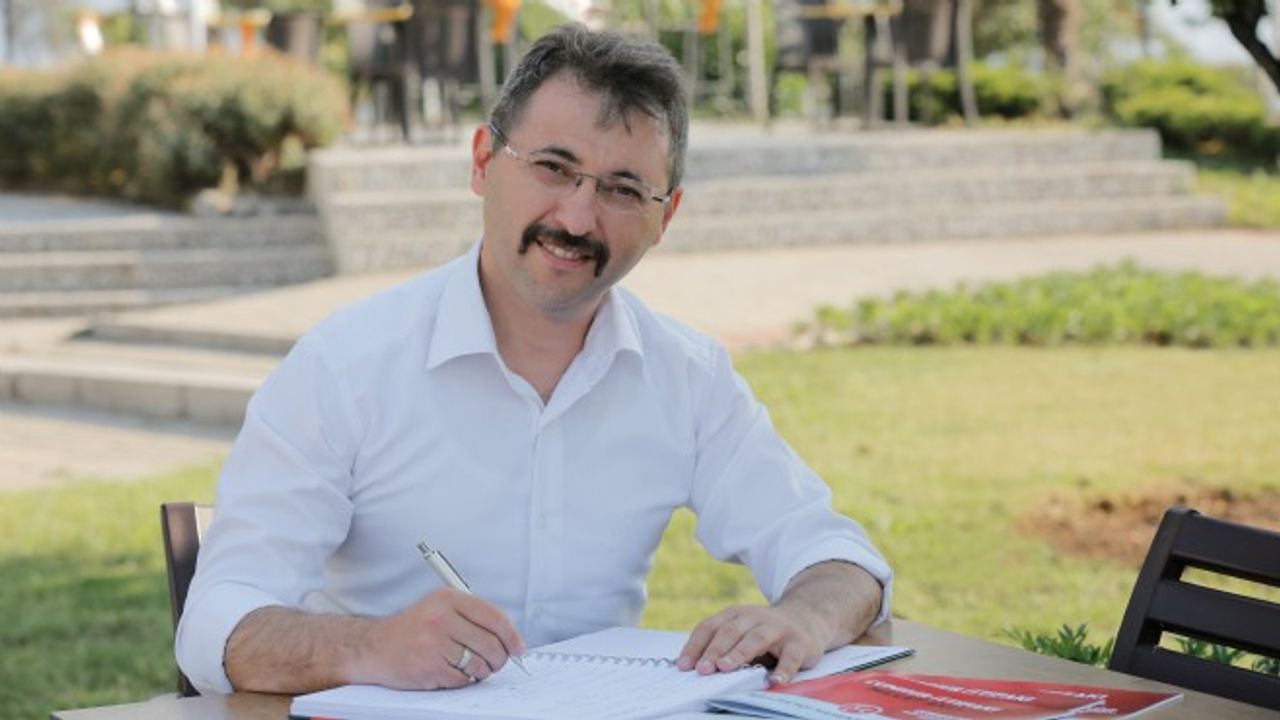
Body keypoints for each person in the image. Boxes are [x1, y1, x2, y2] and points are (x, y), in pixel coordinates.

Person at [176, 23, 892, 697]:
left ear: (665, 218)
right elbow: (214, 624)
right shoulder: (346, 366)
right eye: (553, 168)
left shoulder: (687, 375)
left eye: (622, 190)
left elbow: (838, 558)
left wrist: (806, 617)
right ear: (483, 162)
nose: (577, 219)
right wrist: (372, 646)